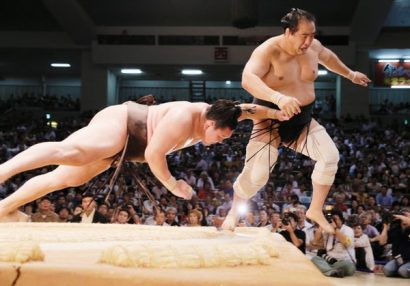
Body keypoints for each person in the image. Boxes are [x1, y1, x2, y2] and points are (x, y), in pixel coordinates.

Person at [0, 98, 288, 220]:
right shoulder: (182, 117)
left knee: (64, 178)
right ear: (210, 124)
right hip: (123, 125)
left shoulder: (220, 113)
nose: (219, 142)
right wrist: (173, 184)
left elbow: (248, 109)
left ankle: (5, 208)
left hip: (126, 147)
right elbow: (153, 154)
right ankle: (3, 170)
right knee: (73, 153)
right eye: (221, 137)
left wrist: (277, 113)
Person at [222, 8, 371, 233]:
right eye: (305, 35)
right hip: (269, 118)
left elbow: (329, 58)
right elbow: (247, 78)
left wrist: (350, 74)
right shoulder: (268, 50)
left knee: (330, 157)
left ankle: (315, 209)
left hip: (301, 118)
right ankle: (234, 212)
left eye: (313, 35)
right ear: (289, 32)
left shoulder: (314, 47)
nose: (310, 41)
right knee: (258, 175)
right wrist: (277, 97)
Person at [311, 210, 356, 278]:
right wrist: (322, 224)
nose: (332, 221)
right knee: (315, 259)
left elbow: (346, 243)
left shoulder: (348, 230)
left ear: (341, 220)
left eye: (335, 219)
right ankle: (332, 272)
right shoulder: (327, 230)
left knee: (347, 266)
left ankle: (327, 270)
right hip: (329, 261)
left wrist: (335, 228)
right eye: (331, 220)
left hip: (345, 262)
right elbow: (315, 242)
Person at [379, 210, 410, 278]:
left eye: (406, 215)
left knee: (403, 271)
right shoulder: (396, 229)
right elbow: (382, 242)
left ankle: (402, 270)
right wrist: (385, 226)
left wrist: (399, 216)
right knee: (387, 270)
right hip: (399, 259)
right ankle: (401, 270)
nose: (404, 217)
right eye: (403, 215)